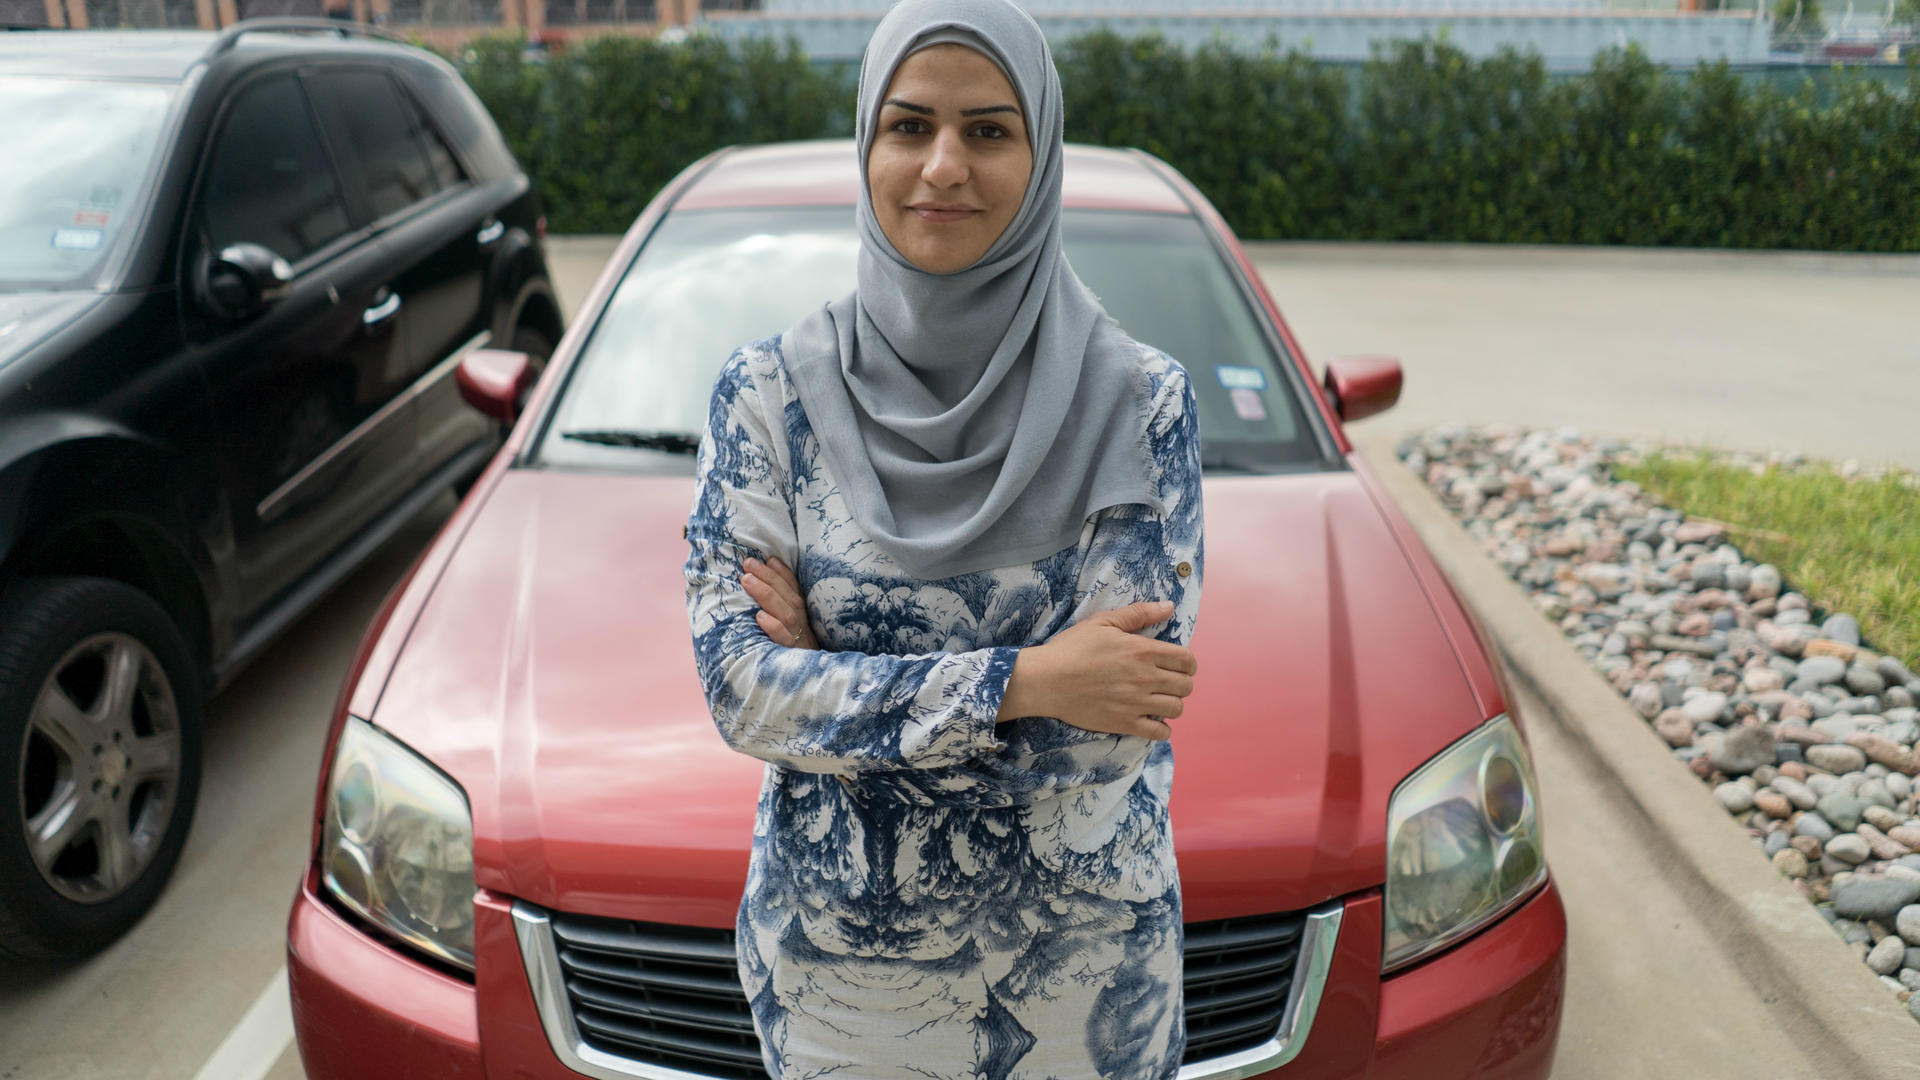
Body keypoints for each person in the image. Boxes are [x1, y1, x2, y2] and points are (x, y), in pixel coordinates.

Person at [682, 0, 1203, 1075]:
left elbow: (1113, 725)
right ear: (867, 143)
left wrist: (831, 672)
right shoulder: (768, 394)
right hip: (840, 1003)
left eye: (990, 130)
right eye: (909, 126)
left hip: (1082, 1001)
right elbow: (741, 694)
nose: (944, 166)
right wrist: (1031, 675)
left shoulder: (1139, 401)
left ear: (1041, 151)